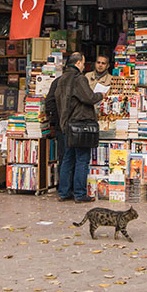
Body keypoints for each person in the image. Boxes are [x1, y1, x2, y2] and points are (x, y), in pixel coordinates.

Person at [56, 53, 104, 203]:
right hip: (80, 124)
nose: (84, 66)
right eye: (83, 63)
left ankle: (63, 192)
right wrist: (100, 95)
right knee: (82, 159)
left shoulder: (62, 79)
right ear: (78, 63)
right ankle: (79, 193)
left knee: (68, 159)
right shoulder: (79, 79)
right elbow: (88, 98)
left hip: (67, 124)